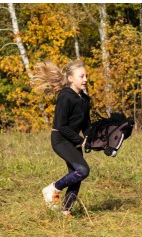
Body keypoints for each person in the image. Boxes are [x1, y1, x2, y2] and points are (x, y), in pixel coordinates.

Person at [34, 60, 91, 218]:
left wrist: (93, 138)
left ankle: (66, 210)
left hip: (73, 140)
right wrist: (81, 141)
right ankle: (52, 189)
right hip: (60, 139)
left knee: (76, 175)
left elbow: (86, 124)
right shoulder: (65, 96)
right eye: (82, 76)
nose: (85, 79)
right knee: (83, 170)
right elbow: (61, 126)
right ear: (71, 78)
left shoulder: (85, 100)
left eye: (86, 76)